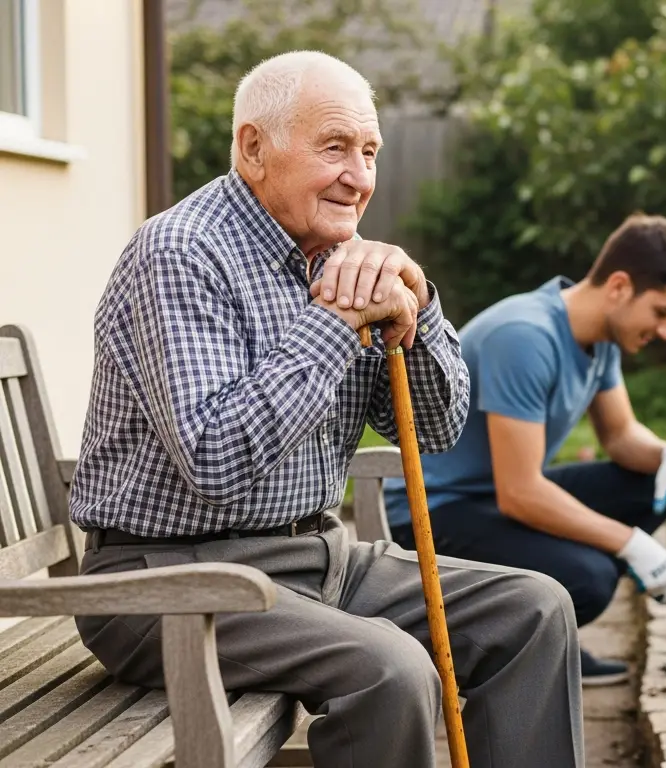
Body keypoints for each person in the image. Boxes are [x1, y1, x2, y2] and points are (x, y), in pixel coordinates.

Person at [68, 50, 584, 768]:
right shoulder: (181, 251)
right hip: (167, 582)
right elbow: (215, 460)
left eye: (369, 152)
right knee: (393, 670)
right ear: (254, 148)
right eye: (335, 148)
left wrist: (419, 309)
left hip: (316, 558)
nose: (360, 176)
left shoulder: (331, 254)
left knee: (534, 610)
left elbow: (434, 428)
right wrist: (337, 321)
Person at [382, 213, 666, 686]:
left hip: (492, 494)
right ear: (619, 286)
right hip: (432, 512)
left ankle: (543, 633)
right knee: (591, 578)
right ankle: (489, 651)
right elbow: (520, 493)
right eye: (663, 313)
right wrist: (633, 544)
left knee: (647, 486)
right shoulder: (526, 336)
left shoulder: (600, 340)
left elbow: (621, 437)